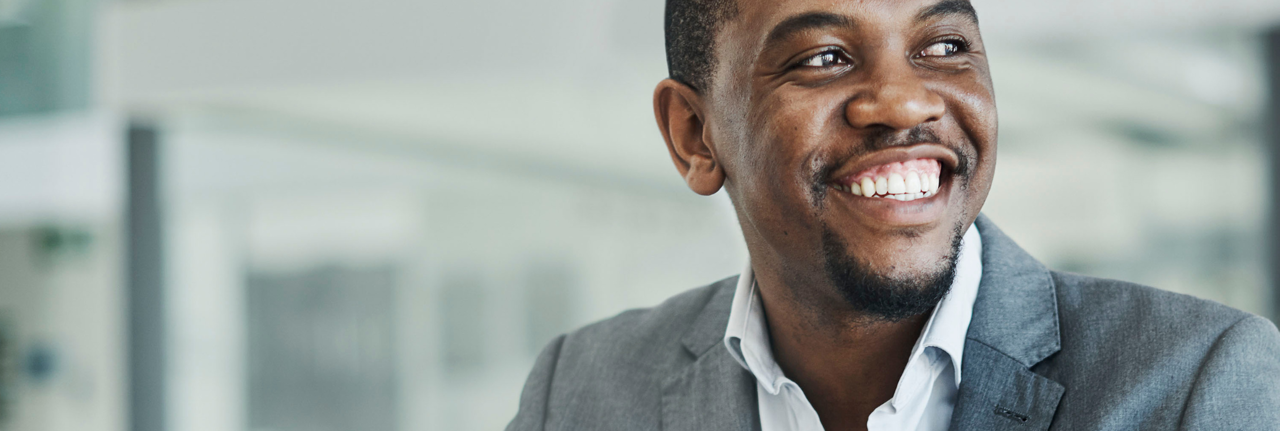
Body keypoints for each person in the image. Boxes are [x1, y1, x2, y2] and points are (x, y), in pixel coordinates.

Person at [506, 0, 1280, 429]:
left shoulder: (1195, 383)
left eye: (943, 46)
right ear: (695, 136)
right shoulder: (581, 392)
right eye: (823, 58)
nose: (905, 100)